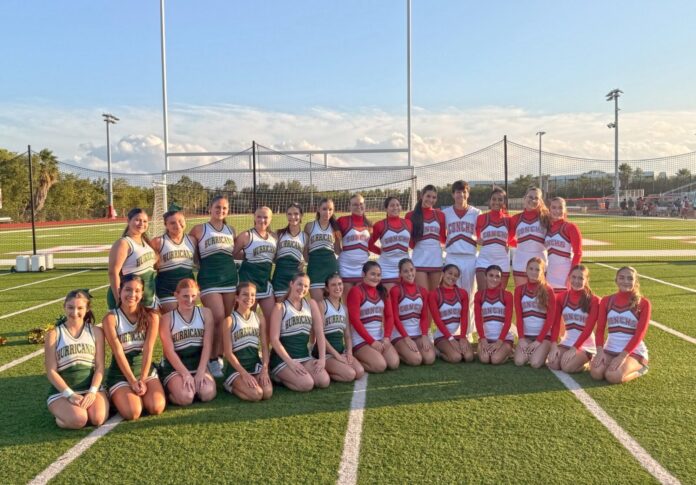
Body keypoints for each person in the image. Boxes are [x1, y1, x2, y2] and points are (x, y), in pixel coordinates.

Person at [103, 274, 166, 420]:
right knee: (133, 412)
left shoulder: (152, 316)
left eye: (137, 291)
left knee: (156, 407)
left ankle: (147, 386)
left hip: (144, 370)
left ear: (142, 293)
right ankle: (113, 394)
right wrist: (132, 381)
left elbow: (149, 349)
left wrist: (143, 379)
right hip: (120, 374)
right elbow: (118, 353)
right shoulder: (111, 319)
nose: (132, 294)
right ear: (119, 291)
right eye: (128, 290)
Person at [45, 289, 109, 429]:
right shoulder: (54, 335)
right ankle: (61, 416)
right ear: (64, 307)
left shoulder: (96, 332)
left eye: (80, 308)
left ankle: (79, 409)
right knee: (79, 420)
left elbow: (99, 367)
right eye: (70, 307)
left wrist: (92, 392)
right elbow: (51, 371)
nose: (75, 312)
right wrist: (70, 395)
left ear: (87, 309)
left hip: (90, 389)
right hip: (62, 392)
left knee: (97, 419)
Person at [189, 195, 237, 378]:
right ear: (210, 208)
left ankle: (223, 354)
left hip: (230, 279)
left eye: (224, 208)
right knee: (216, 318)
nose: (221, 211)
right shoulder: (199, 229)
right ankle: (212, 359)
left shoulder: (230, 230)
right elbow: (192, 255)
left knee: (226, 320)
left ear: (228, 210)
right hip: (209, 279)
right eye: (217, 207)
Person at [158, 279, 216, 406]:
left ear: (198, 295)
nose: (190, 300)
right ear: (176, 295)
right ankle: (169, 389)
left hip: (198, 364)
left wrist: (201, 371)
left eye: (193, 296)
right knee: (186, 397)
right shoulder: (167, 318)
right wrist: (185, 374)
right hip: (175, 368)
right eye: (185, 296)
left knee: (207, 394)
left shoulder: (206, 313)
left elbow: (207, 345)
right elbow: (169, 351)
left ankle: (193, 383)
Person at [269, 273, 330, 391]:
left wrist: (322, 359)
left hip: (303, 356)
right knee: (307, 384)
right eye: (299, 284)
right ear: (291, 284)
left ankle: (299, 373)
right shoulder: (280, 307)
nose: (302, 289)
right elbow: (274, 340)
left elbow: (319, 332)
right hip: (284, 359)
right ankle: (277, 374)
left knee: (324, 381)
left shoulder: (311, 304)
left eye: (306, 286)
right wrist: (290, 363)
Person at [590, 267, 650, 384]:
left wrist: (622, 356)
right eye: (621, 278)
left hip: (632, 352)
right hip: (610, 348)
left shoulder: (643, 303)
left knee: (612, 376)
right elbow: (600, 329)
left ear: (635, 282)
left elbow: (640, 334)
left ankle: (642, 368)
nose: (625, 281)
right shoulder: (606, 301)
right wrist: (600, 351)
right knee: (596, 373)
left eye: (630, 278)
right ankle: (613, 365)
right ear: (616, 280)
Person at [222, 282, 273, 401]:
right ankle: (229, 386)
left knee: (267, 393)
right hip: (237, 369)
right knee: (256, 394)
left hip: (254, 364)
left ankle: (250, 381)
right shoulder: (229, 320)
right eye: (245, 294)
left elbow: (265, 347)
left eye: (252, 295)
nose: (249, 298)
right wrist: (244, 374)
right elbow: (228, 353)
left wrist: (264, 369)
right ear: (237, 298)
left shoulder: (259, 318)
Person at [347, 261, 400, 373]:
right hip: (361, 340)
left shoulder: (382, 291)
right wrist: (371, 342)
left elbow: (390, 316)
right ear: (363, 274)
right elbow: (354, 320)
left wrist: (386, 337)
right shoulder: (356, 291)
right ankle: (356, 361)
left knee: (394, 363)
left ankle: (373, 355)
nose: (376, 278)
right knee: (380, 366)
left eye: (378, 275)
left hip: (379, 337)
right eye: (372, 274)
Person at [443, 180, 481, 331]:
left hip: (469, 257)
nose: (461, 194)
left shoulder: (476, 213)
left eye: (464, 191)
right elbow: (441, 235)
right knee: (452, 296)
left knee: (470, 296)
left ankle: (469, 331)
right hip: (452, 256)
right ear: (453, 194)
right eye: (458, 192)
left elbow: (481, 235)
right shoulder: (445, 213)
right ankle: (454, 329)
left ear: (468, 193)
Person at [547, 265, 600, 373]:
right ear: (569, 278)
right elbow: (556, 324)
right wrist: (553, 345)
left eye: (581, 278)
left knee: (567, 367)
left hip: (585, 344)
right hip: (568, 340)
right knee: (553, 363)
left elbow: (589, 329)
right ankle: (573, 358)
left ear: (586, 280)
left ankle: (587, 361)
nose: (576, 281)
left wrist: (575, 348)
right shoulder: (562, 297)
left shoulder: (594, 300)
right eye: (574, 277)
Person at [314, 274, 365, 381]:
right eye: (333, 285)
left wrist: (349, 352)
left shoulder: (344, 308)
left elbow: (347, 335)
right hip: (326, 353)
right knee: (350, 374)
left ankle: (338, 367)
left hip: (341, 351)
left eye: (340, 284)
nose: (337, 288)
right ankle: (327, 371)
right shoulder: (322, 305)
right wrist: (337, 356)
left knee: (359, 372)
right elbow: (320, 335)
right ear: (327, 288)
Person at [107, 208, 157, 310]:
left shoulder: (145, 241)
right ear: (128, 221)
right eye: (137, 220)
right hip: (128, 299)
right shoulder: (123, 243)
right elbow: (113, 273)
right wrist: (120, 301)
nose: (141, 223)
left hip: (146, 297)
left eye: (145, 221)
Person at [235, 206, 278, 324]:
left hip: (265, 282)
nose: (262, 220)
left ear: (270, 219)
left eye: (265, 217)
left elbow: (274, 258)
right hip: (248, 282)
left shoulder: (273, 237)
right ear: (254, 217)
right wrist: (245, 257)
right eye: (259, 216)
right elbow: (231, 254)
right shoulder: (246, 236)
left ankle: (268, 343)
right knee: (247, 319)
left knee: (272, 319)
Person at [389, 258, 435, 365]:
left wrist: (424, 335)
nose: (409, 274)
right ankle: (397, 350)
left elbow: (424, 316)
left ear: (415, 270)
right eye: (405, 271)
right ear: (400, 273)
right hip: (400, 334)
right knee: (416, 360)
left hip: (417, 333)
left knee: (429, 359)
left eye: (411, 270)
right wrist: (406, 338)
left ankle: (413, 349)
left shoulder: (422, 291)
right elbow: (395, 317)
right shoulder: (395, 290)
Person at [151, 205, 196, 313]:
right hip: (166, 289)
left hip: (188, 289)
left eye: (180, 221)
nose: (177, 225)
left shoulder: (193, 240)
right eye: (172, 223)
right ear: (166, 225)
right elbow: (151, 266)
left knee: (187, 320)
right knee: (173, 320)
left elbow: (198, 262)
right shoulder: (158, 242)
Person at [513, 257, 556, 368]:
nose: (534, 272)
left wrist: (538, 341)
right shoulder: (519, 290)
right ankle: (532, 351)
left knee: (535, 363)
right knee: (519, 361)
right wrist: (521, 339)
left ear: (542, 272)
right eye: (531, 269)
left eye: (537, 270)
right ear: (526, 270)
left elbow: (550, 319)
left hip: (543, 337)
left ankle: (544, 348)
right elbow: (519, 316)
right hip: (526, 336)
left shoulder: (548, 290)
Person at [429, 264, 474, 363]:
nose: (452, 277)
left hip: (458, 335)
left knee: (469, 357)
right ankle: (438, 352)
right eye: (450, 273)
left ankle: (456, 346)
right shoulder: (434, 294)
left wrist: (462, 337)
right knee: (456, 358)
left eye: (455, 275)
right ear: (443, 273)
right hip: (443, 336)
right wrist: (451, 339)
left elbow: (464, 317)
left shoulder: (462, 293)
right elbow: (437, 320)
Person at [406, 185, 446, 291]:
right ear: (421, 196)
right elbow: (410, 243)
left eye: (434, 197)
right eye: (428, 196)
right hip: (419, 259)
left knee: (433, 296)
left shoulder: (440, 215)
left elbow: (443, 239)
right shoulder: (410, 215)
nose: (431, 200)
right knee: (423, 295)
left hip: (436, 259)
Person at [369, 196, 412, 290]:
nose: (395, 207)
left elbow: (413, 243)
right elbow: (369, 245)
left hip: (405, 267)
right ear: (386, 208)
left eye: (397, 205)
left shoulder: (408, 223)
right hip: (386, 267)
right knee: (389, 298)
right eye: (392, 205)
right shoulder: (380, 225)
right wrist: (382, 252)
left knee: (404, 299)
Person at [475, 186, 513, 291]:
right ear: (490, 201)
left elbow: (515, 238)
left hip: (502, 260)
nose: (496, 202)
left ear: (504, 202)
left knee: (499, 297)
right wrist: (476, 239)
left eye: (500, 199)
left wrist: (509, 244)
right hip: (484, 260)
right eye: (494, 199)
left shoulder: (509, 220)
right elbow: (473, 234)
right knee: (482, 294)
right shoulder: (481, 218)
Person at [474, 265, 514, 365]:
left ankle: (508, 352)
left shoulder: (507, 295)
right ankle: (498, 351)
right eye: (491, 275)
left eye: (497, 276)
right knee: (485, 359)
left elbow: (508, 322)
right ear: (485, 276)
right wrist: (482, 339)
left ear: (501, 279)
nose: (494, 279)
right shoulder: (479, 295)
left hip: (503, 339)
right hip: (486, 338)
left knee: (495, 360)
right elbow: (478, 320)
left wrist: (500, 341)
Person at [510, 187, 549, 287]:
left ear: (540, 201)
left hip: (540, 259)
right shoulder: (516, 218)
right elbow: (508, 239)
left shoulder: (546, 218)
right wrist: (521, 246)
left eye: (536, 198)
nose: (533, 200)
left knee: (540, 296)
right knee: (521, 293)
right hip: (521, 259)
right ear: (524, 198)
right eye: (530, 197)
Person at [305, 198, 341, 302]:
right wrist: (310, 262)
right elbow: (305, 249)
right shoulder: (310, 226)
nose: (327, 212)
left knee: (333, 305)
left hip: (331, 268)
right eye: (324, 209)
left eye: (330, 209)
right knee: (318, 305)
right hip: (315, 269)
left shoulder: (335, 227)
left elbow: (338, 250)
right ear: (318, 209)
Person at [337, 193, 372, 297]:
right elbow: (333, 238)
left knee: (362, 301)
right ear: (349, 206)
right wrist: (338, 251)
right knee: (348, 301)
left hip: (362, 267)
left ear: (365, 205)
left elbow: (370, 246)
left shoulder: (369, 224)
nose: (359, 207)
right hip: (346, 266)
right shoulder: (342, 221)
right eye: (355, 204)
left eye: (361, 204)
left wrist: (381, 251)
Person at [545, 197, 583, 291]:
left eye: (560, 207)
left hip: (565, 275)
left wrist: (571, 275)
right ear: (549, 209)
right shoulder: (547, 228)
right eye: (554, 207)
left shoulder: (571, 227)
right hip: (550, 275)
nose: (557, 210)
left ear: (565, 209)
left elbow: (578, 253)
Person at [271, 203, 307, 299]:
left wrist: (303, 261)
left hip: (296, 276)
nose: (293, 217)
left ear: (301, 215)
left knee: (294, 308)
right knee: (280, 307)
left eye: (296, 214)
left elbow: (307, 257)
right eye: (289, 214)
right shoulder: (279, 234)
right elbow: (272, 256)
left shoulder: (305, 236)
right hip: (280, 276)